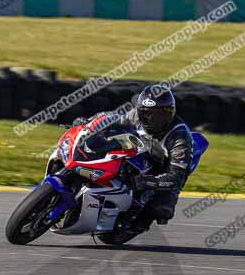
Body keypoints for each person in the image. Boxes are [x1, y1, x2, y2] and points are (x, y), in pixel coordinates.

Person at [72, 85, 193, 229]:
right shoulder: (136, 115)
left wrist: (147, 182)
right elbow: (111, 118)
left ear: (169, 113)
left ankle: (137, 223)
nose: (150, 119)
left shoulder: (179, 137)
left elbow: (176, 177)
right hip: (139, 151)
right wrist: (88, 122)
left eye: (158, 115)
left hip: (163, 168)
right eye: (145, 113)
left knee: (161, 209)